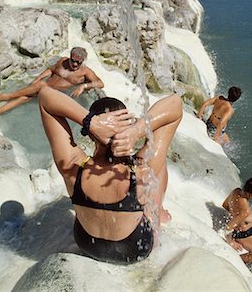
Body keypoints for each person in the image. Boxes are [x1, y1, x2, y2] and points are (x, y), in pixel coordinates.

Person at [38, 87, 182, 264]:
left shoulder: (72, 166)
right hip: (135, 251)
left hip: (88, 246)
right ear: (126, 127)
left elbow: (45, 97)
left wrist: (91, 122)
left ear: (91, 135)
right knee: (157, 154)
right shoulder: (142, 169)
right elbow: (176, 103)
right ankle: (156, 211)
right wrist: (137, 130)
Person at [0, 47, 104, 119]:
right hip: (43, 89)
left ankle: (5, 96)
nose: (75, 64)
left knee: (42, 85)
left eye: (79, 62)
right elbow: (51, 70)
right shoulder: (63, 61)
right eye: (73, 61)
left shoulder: (85, 72)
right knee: (25, 97)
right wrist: (37, 79)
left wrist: (84, 86)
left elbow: (100, 83)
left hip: (56, 95)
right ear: (70, 57)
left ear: (83, 61)